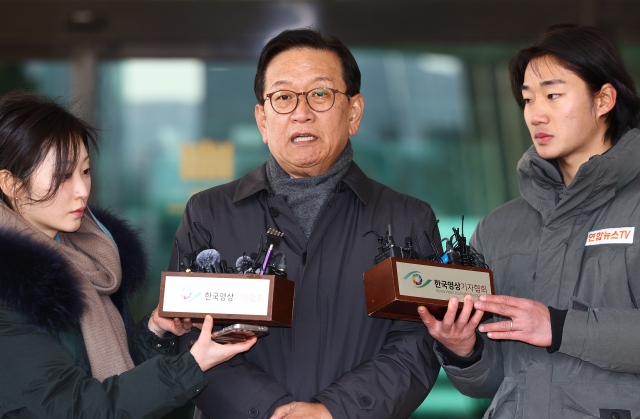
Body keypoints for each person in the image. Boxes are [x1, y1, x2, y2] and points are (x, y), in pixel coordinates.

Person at [170, 29, 441, 419]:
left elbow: (417, 344)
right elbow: (188, 336)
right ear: (262, 121)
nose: (301, 112)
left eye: (320, 94)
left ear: (354, 113)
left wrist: (333, 411)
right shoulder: (208, 213)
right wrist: (271, 410)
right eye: (283, 97)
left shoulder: (409, 220)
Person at [419, 24, 640, 419]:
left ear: (604, 98)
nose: (536, 114)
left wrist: (559, 327)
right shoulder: (498, 228)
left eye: (554, 95)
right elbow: (487, 383)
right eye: (527, 100)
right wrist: (463, 349)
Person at [0, 92, 256, 418]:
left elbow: (100, 368)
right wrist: (192, 365)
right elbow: (72, 407)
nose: (81, 189)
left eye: (85, 171)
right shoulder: (10, 285)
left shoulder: (86, 255)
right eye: (62, 176)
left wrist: (152, 332)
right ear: (11, 184)